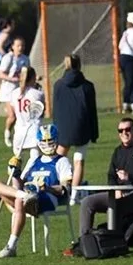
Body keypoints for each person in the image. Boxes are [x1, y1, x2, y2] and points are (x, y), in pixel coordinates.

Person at [0, 123, 72, 258]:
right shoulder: (34, 161)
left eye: (50, 141)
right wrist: (15, 172)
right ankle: (23, 197)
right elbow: (19, 184)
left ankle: (11, 246)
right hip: (25, 194)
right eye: (44, 141)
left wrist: (47, 188)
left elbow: (65, 189)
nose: (47, 144)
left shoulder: (62, 161)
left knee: (20, 201)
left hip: (46, 198)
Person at [80, 116, 133, 239]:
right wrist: (115, 189)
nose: (124, 133)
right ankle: (85, 241)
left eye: (127, 129)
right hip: (117, 193)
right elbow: (111, 175)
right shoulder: (118, 151)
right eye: (120, 131)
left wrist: (129, 177)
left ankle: (115, 239)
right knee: (87, 202)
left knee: (119, 205)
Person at [50, 53, 100, 189]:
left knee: (57, 159)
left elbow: (56, 110)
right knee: (79, 161)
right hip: (82, 127)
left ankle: (55, 188)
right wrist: (94, 133)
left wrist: (55, 131)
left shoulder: (58, 85)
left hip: (63, 128)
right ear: (79, 65)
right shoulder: (87, 86)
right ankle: (74, 194)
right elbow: (92, 111)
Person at [5, 66, 47, 159]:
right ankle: (26, 173)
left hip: (19, 130)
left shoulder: (14, 93)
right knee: (34, 160)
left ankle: (19, 174)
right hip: (33, 130)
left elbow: (13, 112)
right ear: (32, 78)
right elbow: (42, 112)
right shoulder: (38, 93)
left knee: (17, 162)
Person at [0, 36, 27, 142]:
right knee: (12, 115)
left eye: (22, 45)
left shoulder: (25, 59)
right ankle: (7, 133)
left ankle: (17, 135)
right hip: (8, 91)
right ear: (13, 46)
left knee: (19, 116)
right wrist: (12, 79)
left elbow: (26, 74)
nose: (20, 48)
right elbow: (1, 74)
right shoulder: (8, 58)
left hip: (19, 91)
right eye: (18, 45)